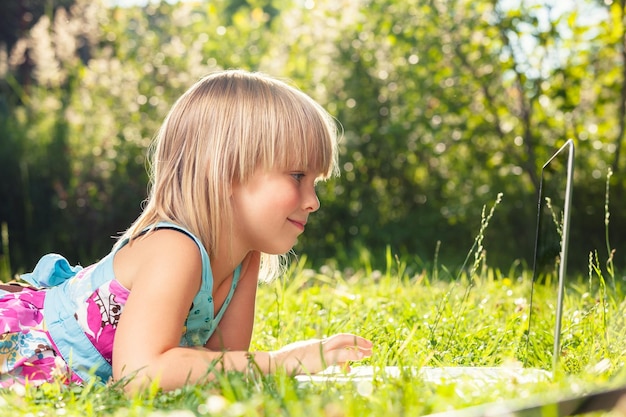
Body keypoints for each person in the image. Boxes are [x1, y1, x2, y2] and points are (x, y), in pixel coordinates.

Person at [0, 69, 373, 392]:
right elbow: (140, 374)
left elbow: (216, 365)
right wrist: (280, 361)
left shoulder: (246, 259)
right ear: (228, 170)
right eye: (298, 176)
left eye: (316, 182)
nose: (313, 201)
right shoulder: (174, 248)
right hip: (22, 340)